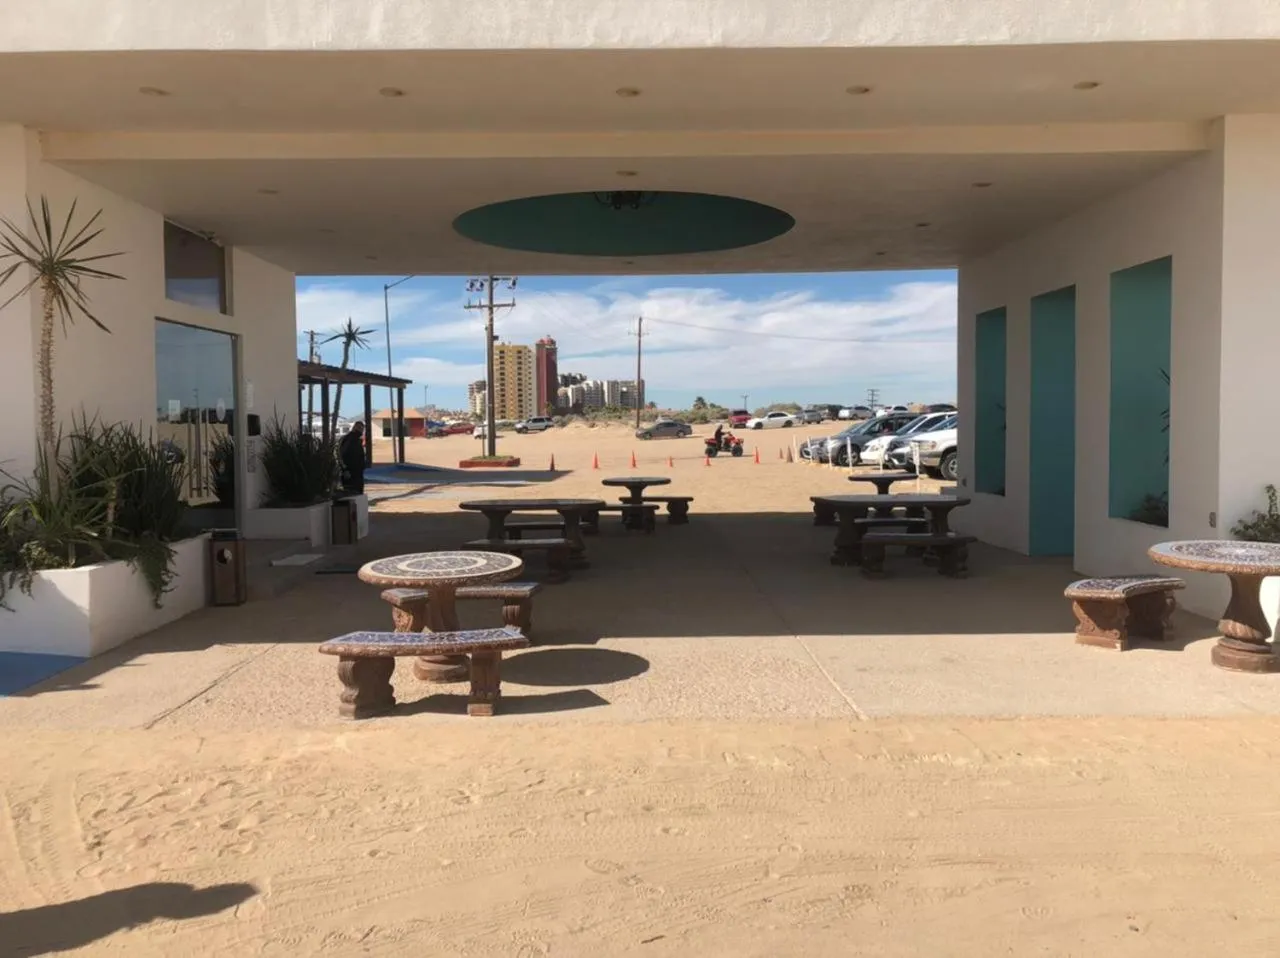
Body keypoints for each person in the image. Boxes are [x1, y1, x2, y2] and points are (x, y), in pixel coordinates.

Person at [338, 421, 367, 494]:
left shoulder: (356, 439)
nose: (361, 431)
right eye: (360, 429)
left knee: (357, 493)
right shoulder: (350, 439)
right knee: (352, 492)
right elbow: (342, 455)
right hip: (351, 472)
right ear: (355, 428)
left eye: (362, 429)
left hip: (357, 472)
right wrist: (345, 469)